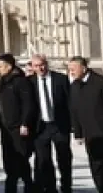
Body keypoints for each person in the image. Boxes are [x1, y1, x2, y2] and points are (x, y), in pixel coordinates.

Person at [66, 56, 103, 193]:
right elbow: (74, 110)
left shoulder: (102, 83)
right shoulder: (74, 86)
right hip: (89, 134)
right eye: (69, 69)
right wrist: (78, 133)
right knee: (95, 167)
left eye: (73, 69)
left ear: (84, 68)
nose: (71, 72)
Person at [29, 54, 72, 193]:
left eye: (42, 64)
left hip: (59, 125)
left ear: (46, 64)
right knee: (43, 160)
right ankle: (50, 187)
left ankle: (66, 187)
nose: (40, 68)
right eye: (36, 66)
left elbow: (69, 102)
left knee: (64, 158)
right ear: (32, 67)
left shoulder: (60, 79)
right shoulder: (29, 82)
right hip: (40, 126)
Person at [0, 54, 37, 193]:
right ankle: (14, 183)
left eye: (0, 66)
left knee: (21, 158)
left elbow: (28, 103)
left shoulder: (20, 81)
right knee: (8, 158)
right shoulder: (3, 81)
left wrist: (25, 123)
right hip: (6, 128)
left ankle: (25, 185)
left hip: (18, 127)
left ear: (9, 66)